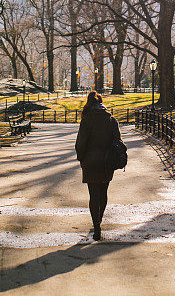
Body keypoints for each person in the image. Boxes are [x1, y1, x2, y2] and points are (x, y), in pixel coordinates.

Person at [75, 91, 121, 241]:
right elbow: (118, 141)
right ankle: (99, 221)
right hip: (108, 161)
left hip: (91, 161)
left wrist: (81, 158)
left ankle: (96, 226)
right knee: (103, 192)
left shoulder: (87, 120)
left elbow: (81, 143)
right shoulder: (111, 120)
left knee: (93, 195)